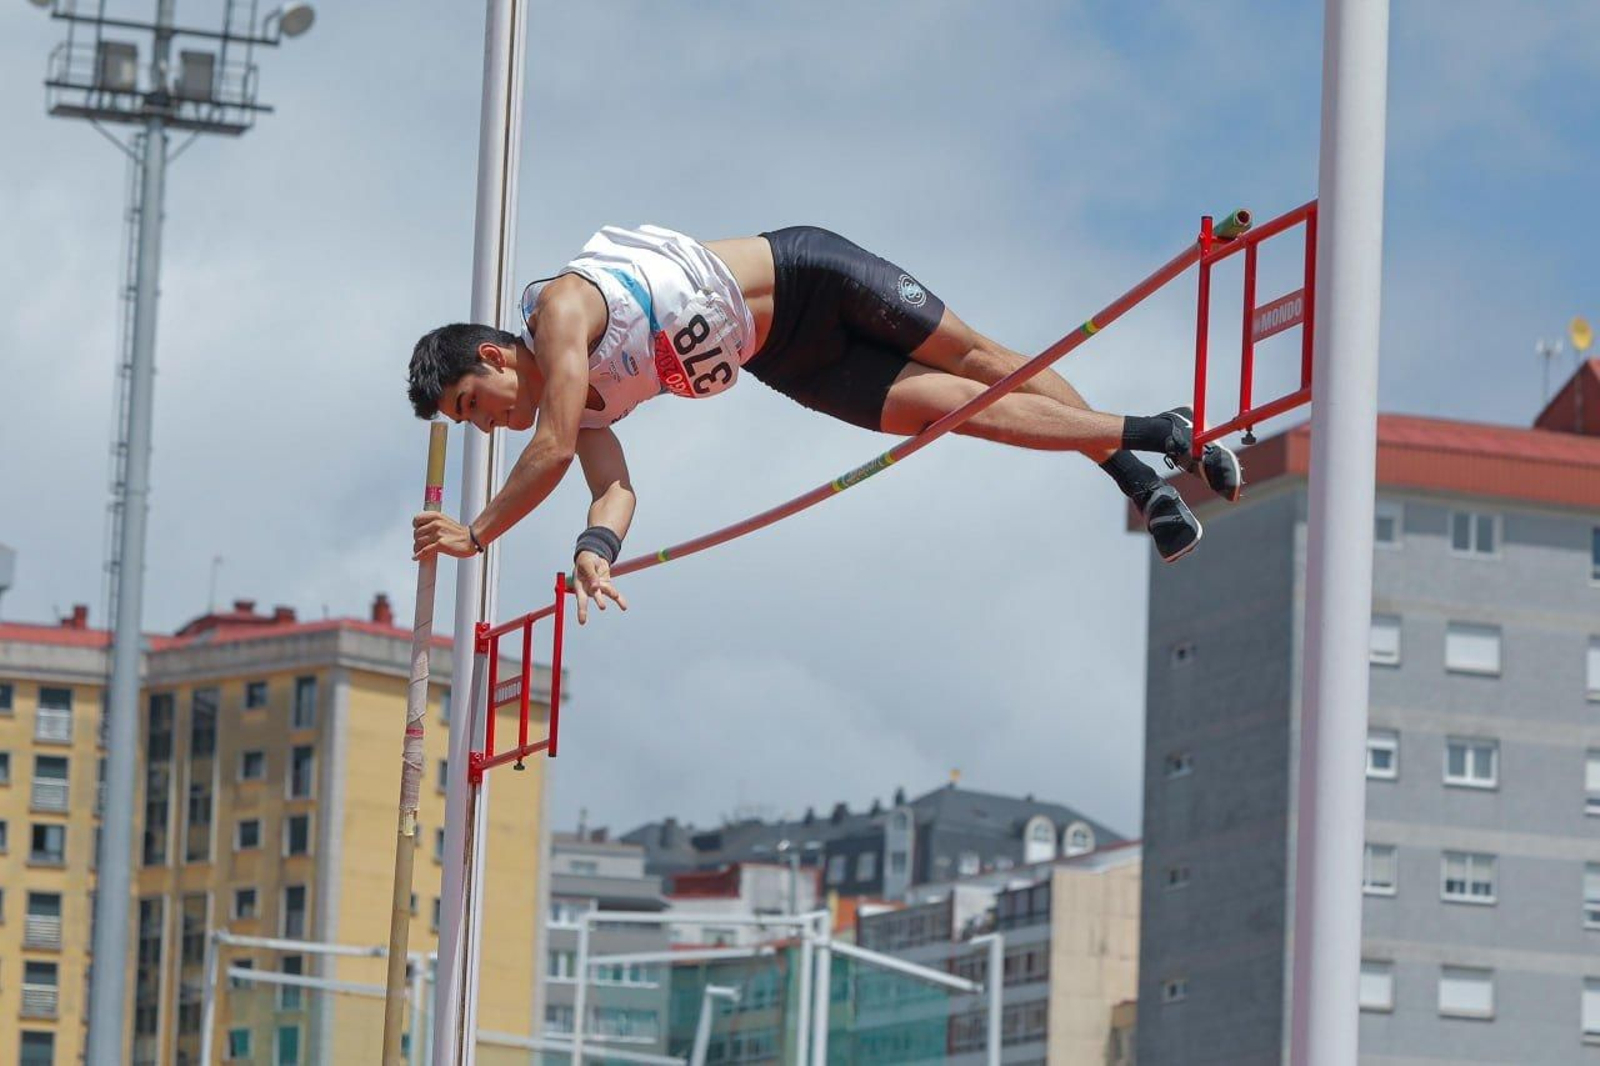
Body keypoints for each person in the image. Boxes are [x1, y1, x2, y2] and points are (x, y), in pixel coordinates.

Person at [408, 224, 1242, 621]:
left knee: (985, 363)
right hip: (792, 362)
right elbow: (614, 487)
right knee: (957, 416)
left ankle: (1139, 459)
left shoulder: (558, 313)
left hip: (810, 277)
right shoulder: (583, 410)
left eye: (474, 408)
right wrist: (596, 553)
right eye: (471, 424)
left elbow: (549, 447)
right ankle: (1150, 440)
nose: (489, 428)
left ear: (493, 356)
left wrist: (477, 536)